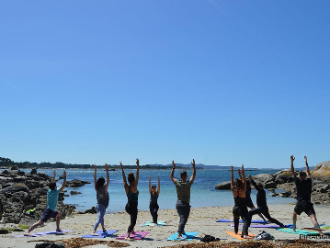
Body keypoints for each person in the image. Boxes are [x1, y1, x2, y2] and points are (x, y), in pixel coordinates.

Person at [290, 155, 326, 236]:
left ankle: (294, 227)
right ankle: (320, 232)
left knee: (294, 213)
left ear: (300, 177)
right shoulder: (309, 181)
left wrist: (292, 161)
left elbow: (292, 172)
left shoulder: (298, 181)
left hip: (300, 203)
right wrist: (306, 162)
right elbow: (308, 171)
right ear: (305, 176)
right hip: (308, 203)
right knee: (313, 218)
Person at [24, 170, 66, 236]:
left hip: (50, 210)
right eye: (56, 186)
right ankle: (27, 232)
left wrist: (54, 176)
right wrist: (65, 178)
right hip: (49, 211)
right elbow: (63, 186)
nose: (56, 186)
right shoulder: (55, 192)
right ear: (55, 187)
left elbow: (52, 184)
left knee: (59, 214)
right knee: (40, 222)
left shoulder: (49, 191)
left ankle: (58, 228)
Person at [170, 159, 196, 239]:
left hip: (178, 204)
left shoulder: (177, 182)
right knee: (183, 219)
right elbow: (193, 175)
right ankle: (179, 234)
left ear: (180, 177)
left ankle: (182, 231)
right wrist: (194, 167)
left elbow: (171, 176)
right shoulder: (188, 184)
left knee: (182, 218)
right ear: (186, 176)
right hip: (185, 204)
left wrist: (173, 168)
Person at [230, 165, 252, 239]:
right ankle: (245, 234)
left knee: (236, 218)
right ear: (242, 185)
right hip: (242, 208)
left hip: (235, 208)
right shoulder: (243, 190)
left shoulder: (234, 190)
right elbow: (244, 181)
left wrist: (232, 171)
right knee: (246, 221)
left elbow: (232, 181)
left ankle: (236, 231)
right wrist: (243, 172)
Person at [120, 158, 140, 239]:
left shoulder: (126, 187)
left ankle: (132, 230)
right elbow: (138, 174)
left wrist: (122, 168)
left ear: (128, 180)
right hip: (133, 206)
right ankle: (128, 234)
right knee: (133, 222)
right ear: (134, 179)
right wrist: (138, 165)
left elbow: (124, 177)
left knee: (132, 217)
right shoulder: (134, 185)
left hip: (127, 206)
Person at [92, 163, 110, 235]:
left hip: (98, 206)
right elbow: (108, 179)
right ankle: (94, 230)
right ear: (103, 183)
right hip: (102, 206)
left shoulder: (97, 188)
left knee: (101, 218)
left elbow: (94, 178)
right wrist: (107, 170)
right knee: (99, 219)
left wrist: (95, 170)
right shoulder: (104, 188)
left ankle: (103, 229)